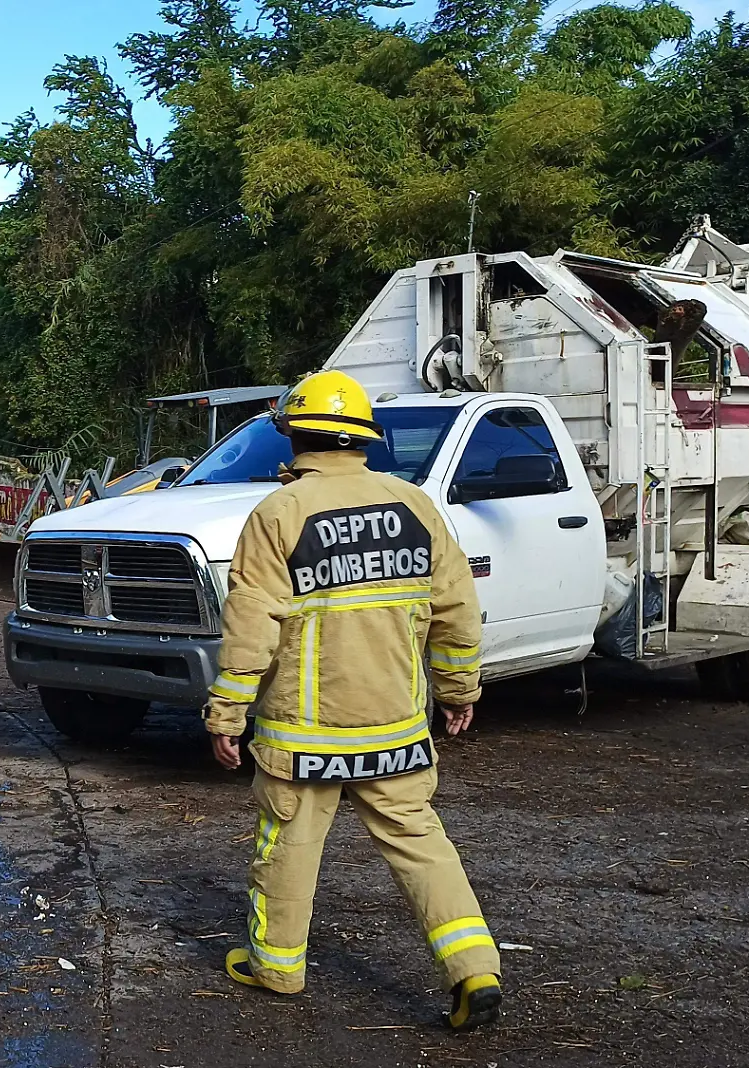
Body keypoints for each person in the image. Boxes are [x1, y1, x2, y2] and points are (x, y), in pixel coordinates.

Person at [204, 369, 502, 1031]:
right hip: (395, 731)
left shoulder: (277, 515)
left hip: (305, 741)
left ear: (297, 440)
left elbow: (251, 627)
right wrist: (459, 691)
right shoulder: (417, 506)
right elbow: (458, 612)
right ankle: (473, 968)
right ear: (363, 439)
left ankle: (277, 968)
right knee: (423, 845)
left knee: (286, 849)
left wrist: (226, 713)